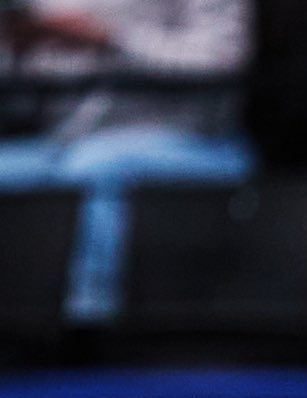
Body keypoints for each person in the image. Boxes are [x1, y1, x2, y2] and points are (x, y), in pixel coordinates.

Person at [0, 0, 252, 322]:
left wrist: (110, 39)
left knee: (93, 166)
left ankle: (87, 330)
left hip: (195, 141)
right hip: (64, 144)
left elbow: (220, 66)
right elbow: (24, 106)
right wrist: (19, 53)